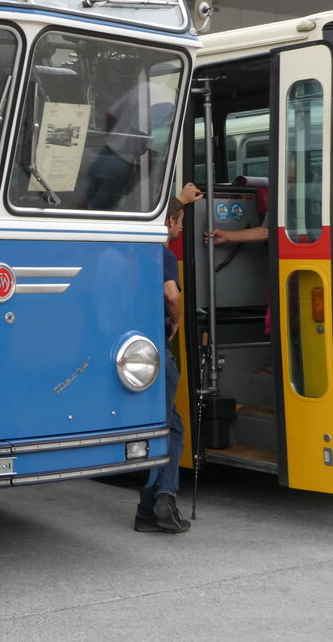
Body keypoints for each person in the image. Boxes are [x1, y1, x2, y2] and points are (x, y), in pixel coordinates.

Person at [135, 195, 191, 534]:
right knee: (170, 428)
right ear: (169, 220)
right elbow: (171, 295)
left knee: (155, 427)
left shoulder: (130, 253)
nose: (181, 227)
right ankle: (165, 499)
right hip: (155, 351)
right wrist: (177, 321)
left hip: (130, 355)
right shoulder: (163, 254)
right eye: (181, 220)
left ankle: (147, 511)